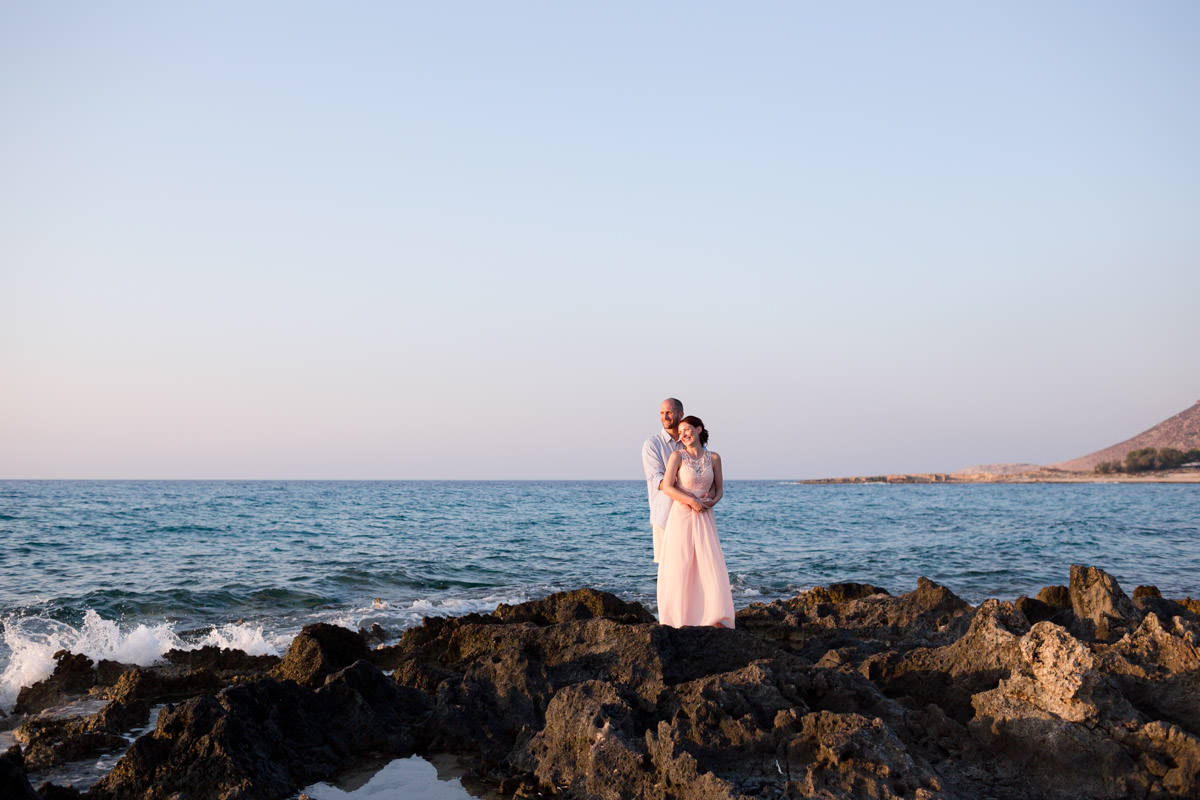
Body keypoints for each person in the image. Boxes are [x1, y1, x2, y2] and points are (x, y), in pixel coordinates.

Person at [656, 415, 735, 628]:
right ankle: (678, 619)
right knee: (681, 564)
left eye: (687, 430)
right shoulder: (677, 457)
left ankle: (713, 615)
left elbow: (719, 491)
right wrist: (691, 500)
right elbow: (667, 487)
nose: (683, 435)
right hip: (682, 515)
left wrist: (711, 503)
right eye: (680, 433)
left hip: (705, 516)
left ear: (699, 429)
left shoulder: (715, 458)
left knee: (709, 564)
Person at [641, 397, 684, 563]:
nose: (664, 417)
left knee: (689, 567)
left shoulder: (689, 441)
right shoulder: (653, 445)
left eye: (669, 412)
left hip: (688, 515)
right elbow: (657, 480)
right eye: (661, 413)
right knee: (667, 568)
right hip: (664, 515)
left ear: (680, 414)